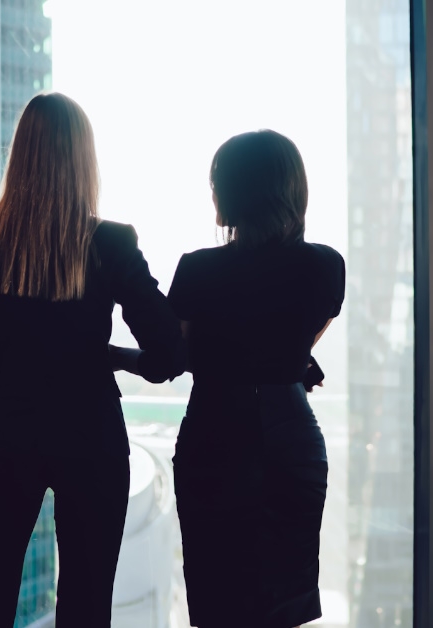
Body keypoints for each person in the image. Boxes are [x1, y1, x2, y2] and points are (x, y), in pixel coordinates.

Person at [0, 92, 183, 627]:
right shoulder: (112, 243)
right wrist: (116, 356)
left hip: (10, 432)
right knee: (86, 607)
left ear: (20, 154)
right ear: (84, 158)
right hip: (91, 435)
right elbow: (169, 352)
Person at [159, 130, 343, 627]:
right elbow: (299, 345)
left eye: (217, 182)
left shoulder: (198, 270)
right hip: (293, 439)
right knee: (285, 601)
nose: (212, 193)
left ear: (240, 191)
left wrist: (105, 353)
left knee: (219, 598)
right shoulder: (326, 267)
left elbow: (170, 359)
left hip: (215, 437)